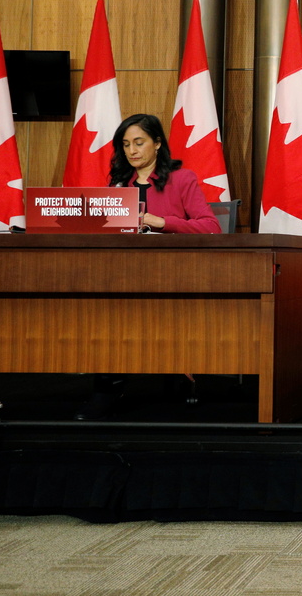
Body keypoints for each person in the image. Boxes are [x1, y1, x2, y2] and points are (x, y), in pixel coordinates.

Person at [75, 113, 222, 420]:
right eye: (126, 144)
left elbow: (211, 227)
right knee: (102, 303)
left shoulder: (182, 179)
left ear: (157, 143)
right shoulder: (119, 184)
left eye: (139, 142)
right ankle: (107, 386)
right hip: (123, 272)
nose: (132, 150)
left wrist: (162, 222)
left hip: (172, 273)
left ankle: (171, 371)